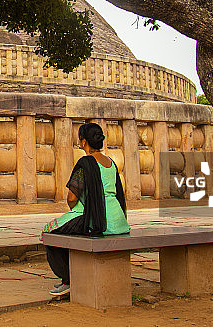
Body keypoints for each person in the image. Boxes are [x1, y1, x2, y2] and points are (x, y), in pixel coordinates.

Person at [41, 122, 130, 296]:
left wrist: (77, 211)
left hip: (95, 219)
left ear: (83, 142)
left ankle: (69, 279)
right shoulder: (110, 162)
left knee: (49, 232)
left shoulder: (85, 163)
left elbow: (72, 197)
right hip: (118, 221)